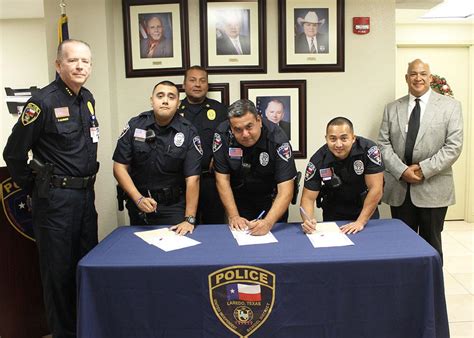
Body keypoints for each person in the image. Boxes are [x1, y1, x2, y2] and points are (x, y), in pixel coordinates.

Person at [3, 39, 99, 338]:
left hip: (85, 197)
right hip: (55, 201)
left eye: (85, 61)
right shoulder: (42, 103)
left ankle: (85, 328)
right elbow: (14, 153)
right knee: (57, 275)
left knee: (84, 266)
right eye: (73, 60)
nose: (80, 66)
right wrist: (34, 187)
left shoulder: (87, 99)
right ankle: (64, 334)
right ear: (59, 65)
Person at [378, 59, 463, 261]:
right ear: (406, 78)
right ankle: (405, 290)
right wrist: (401, 170)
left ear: (430, 78)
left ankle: (431, 291)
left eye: (423, 74)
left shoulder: (450, 107)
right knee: (401, 247)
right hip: (400, 188)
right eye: (413, 74)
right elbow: (382, 144)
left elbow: (453, 147)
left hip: (433, 188)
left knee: (431, 247)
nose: (418, 78)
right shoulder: (392, 108)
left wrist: (423, 169)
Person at [113, 80, 201, 235]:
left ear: (178, 103)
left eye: (171, 97)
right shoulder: (135, 126)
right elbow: (119, 167)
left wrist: (189, 219)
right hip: (139, 203)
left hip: (173, 207)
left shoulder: (188, 132)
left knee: (174, 254)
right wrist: (138, 199)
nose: (165, 100)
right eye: (160, 96)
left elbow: (193, 179)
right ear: (152, 100)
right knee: (140, 253)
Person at [213, 99, 297, 236]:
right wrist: (234, 216)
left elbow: (286, 189)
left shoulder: (277, 139)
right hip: (238, 200)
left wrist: (268, 222)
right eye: (238, 130)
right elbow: (222, 180)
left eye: (249, 127)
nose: (245, 134)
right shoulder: (222, 134)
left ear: (259, 120)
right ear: (230, 126)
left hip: (270, 201)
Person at [300, 117, 384, 235]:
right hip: (334, 211)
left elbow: (376, 189)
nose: (338, 144)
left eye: (344, 138)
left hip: (365, 209)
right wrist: (308, 221)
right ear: (326, 139)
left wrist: (360, 222)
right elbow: (308, 198)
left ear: (353, 138)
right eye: (333, 139)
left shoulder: (369, 150)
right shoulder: (318, 160)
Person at [177, 66, 227, 224]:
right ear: (184, 85)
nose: (197, 84)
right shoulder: (175, 110)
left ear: (207, 85)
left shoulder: (220, 109)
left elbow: (231, 138)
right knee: (184, 227)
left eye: (202, 81)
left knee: (215, 227)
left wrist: (220, 157)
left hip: (211, 181)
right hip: (181, 182)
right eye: (192, 80)